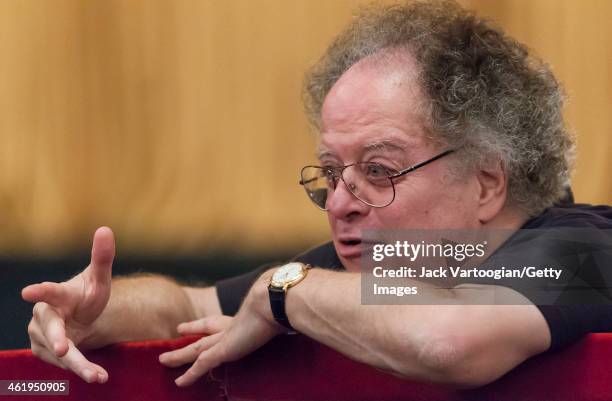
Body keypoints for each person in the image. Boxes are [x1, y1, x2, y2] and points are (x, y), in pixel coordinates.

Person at [22, 0, 612, 390]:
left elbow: (451, 339)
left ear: (487, 182)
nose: (339, 204)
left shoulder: (585, 246)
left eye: (378, 170)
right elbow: (189, 310)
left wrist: (285, 291)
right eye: (331, 174)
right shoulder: (396, 272)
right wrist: (92, 317)